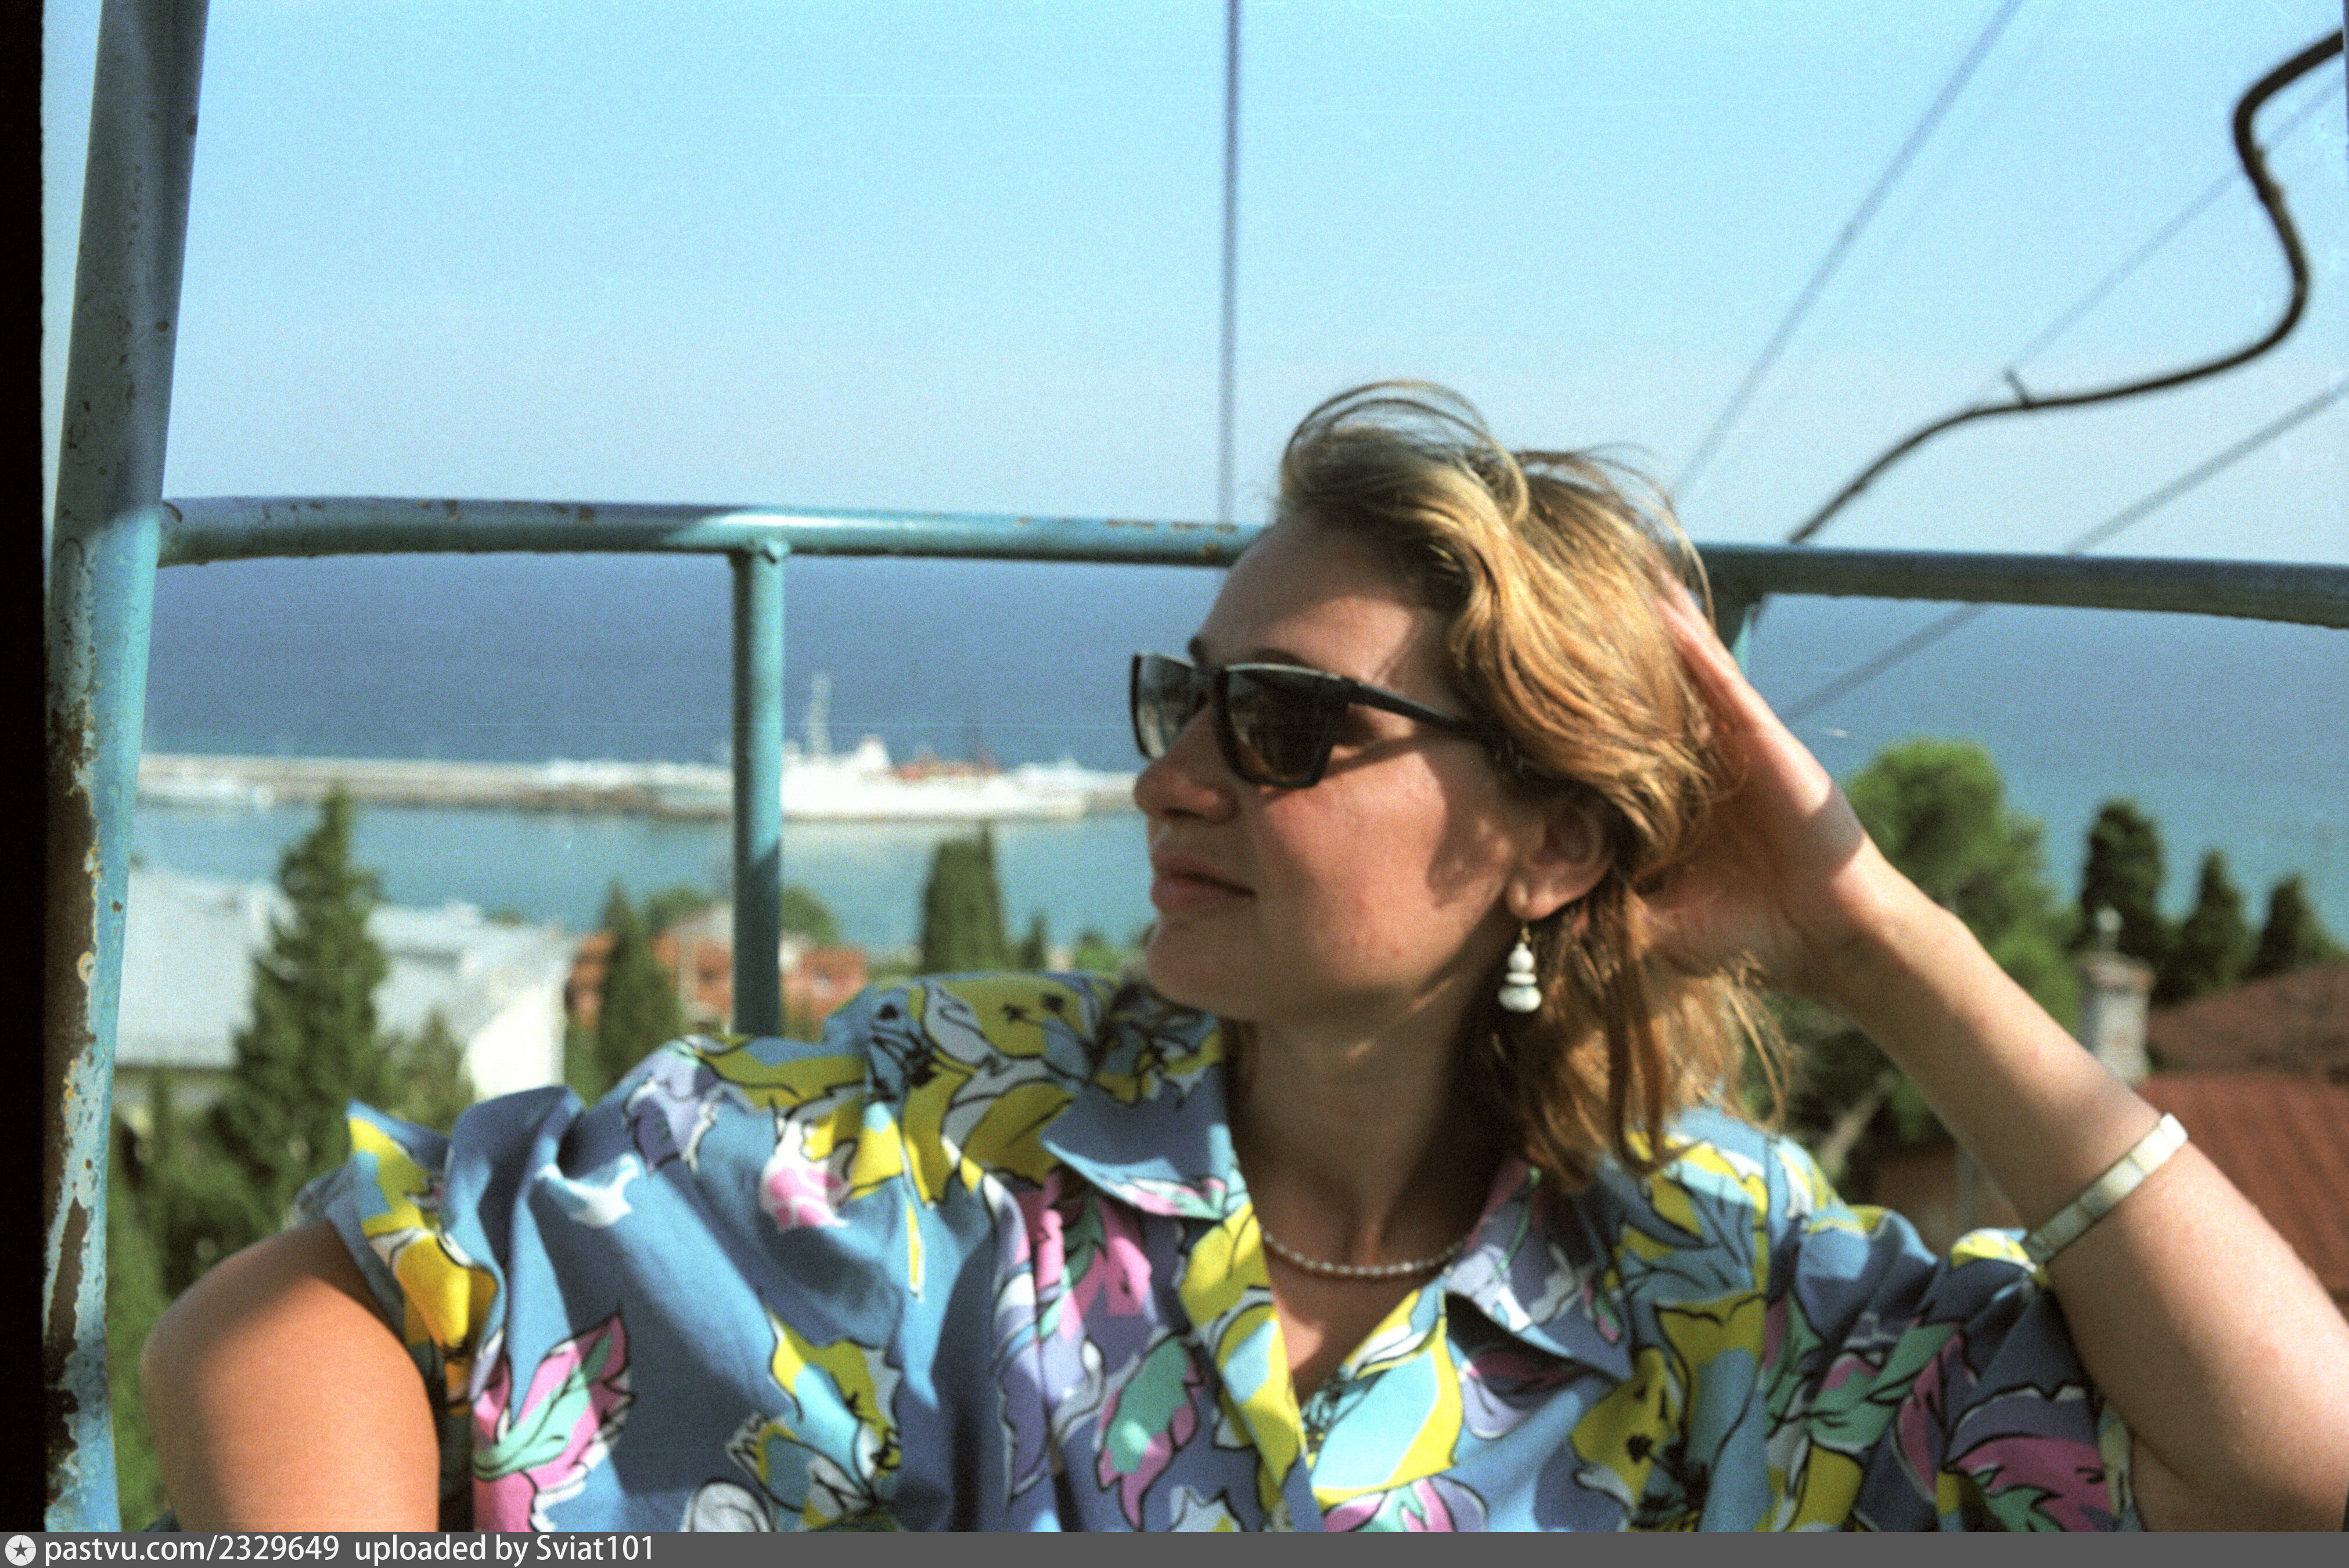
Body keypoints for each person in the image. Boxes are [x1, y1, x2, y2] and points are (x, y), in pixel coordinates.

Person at [143, 384, 2349, 1531]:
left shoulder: (1721, 1284)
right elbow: (311, 1306)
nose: (1173, 776)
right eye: (1178, 697)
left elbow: (2284, 1478)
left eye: (1282, 724)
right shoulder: (948, 1144)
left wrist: (1877, 929)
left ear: (1550, 838)